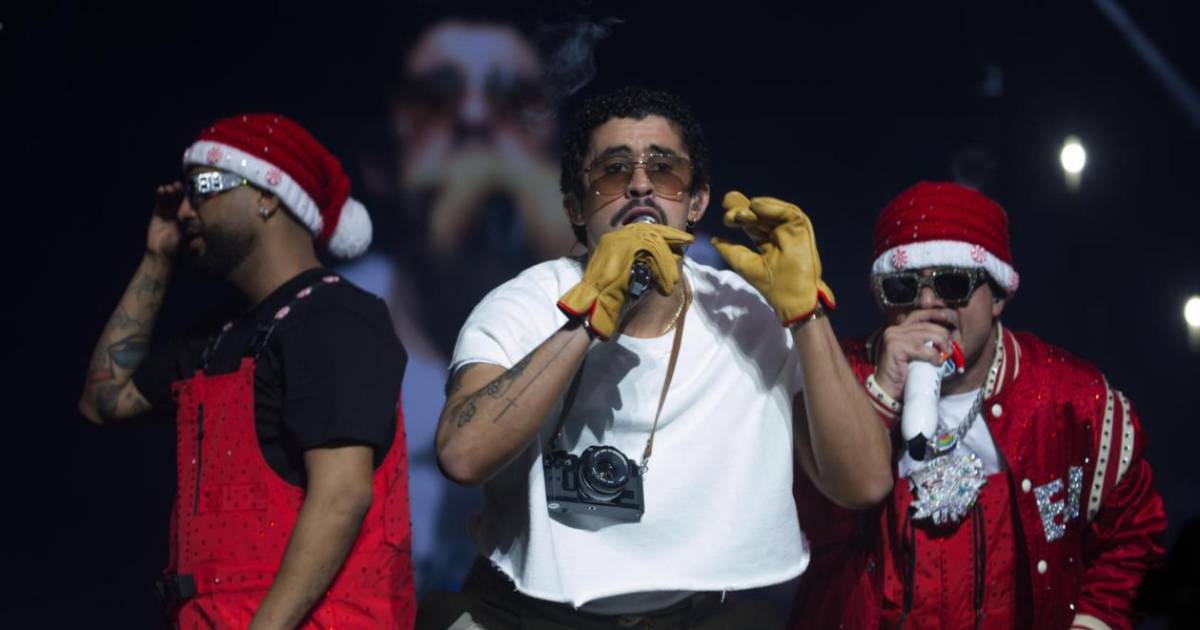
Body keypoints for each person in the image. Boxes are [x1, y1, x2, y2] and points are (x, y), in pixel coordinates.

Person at [417, 86, 892, 629]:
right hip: (529, 614)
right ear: (575, 207)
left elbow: (863, 484)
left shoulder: (746, 312)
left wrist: (808, 314)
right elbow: (462, 457)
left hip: (694, 617)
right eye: (613, 171)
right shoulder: (524, 305)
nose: (640, 185)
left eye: (664, 170)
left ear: (696, 203)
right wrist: (587, 319)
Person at [78, 114, 415, 628]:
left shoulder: (335, 317)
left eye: (204, 187)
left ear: (268, 195)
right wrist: (156, 258)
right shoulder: (217, 337)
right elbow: (105, 400)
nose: (184, 209)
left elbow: (342, 495)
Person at [790, 181, 1167, 629]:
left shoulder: (1070, 400)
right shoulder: (835, 382)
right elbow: (811, 527)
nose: (927, 303)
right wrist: (883, 393)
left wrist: (1091, 623)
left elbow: (1130, 536)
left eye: (952, 283)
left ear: (999, 296)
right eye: (903, 287)